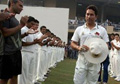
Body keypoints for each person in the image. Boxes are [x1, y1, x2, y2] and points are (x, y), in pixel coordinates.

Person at [71, 5, 109, 84]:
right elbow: (73, 43)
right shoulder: (79, 29)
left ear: (96, 16)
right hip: (82, 59)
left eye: (91, 15)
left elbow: (106, 45)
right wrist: (79, 47)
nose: (89, 16)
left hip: (95, 61)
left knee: (92, 82)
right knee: (78, 82)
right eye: (87, 14)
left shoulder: (102, 30)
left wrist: (98, 49)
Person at [0, 0, 28, 84]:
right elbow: (5, 33)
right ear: (12, 3)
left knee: (14, 75)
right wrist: (21, 25)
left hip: (16, 51)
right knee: (5, 78)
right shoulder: (5, 16)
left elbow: (15, 36)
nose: (22, 8)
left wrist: (25, 33)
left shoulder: (13, 18)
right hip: (7, 52)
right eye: (20, 6)